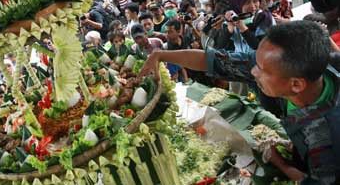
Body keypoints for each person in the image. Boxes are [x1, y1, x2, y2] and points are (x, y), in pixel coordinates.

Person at [139, 20, 340, 183]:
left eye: (261, 69)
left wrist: (281, 165)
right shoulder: (291, 70)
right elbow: (213, 60)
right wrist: (161, 55)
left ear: (296, 85)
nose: (253, 72)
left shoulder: (325, 138)